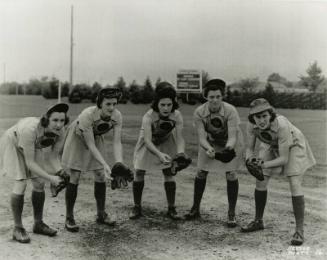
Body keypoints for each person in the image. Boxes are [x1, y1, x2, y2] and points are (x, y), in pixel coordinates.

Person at [241, 98, 316, 246]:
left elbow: (283, 159)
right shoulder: (251, 125)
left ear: (271, 115)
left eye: (264, 116)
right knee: (261, 180)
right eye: (258, 117)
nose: (261, 120)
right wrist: (250, 161)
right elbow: (249, 148)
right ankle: (258, 221)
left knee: (294, 182)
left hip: (293, 143)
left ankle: (299, 231)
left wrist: (262, 164)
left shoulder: (281, 125)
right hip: (270, 143)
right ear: (252, 118)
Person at [0, 103, 69, 243]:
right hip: (13, 142)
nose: (59, 124)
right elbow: (29, 163)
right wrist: (51, 178)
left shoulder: (61, 131)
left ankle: (38, 224)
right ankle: (18, 228)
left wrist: (60, 172)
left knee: (39, 183)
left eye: (62, 120)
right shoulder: (30, 129)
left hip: (34, 146)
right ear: (46, 119)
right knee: (21, 182)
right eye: (55, 120)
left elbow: (53, 156)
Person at [62, 87, 127, 232]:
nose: (111, 108)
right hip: (77, 138)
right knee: (75, 175)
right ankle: (69, 217)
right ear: (100, 103)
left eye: (114, 104)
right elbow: (89, 144)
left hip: (96, 138)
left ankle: (101, 214)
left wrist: (119, 163)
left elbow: (117, 142)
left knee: (100, 175)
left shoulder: (117, 116)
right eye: (108, 104)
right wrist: (104, 164)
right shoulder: (88, 114)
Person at [184, 79, 243, 227]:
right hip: (210, 142)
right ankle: (195, 208)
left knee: (231, 173)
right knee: (201, 172)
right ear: (206, 97)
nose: (215, 100)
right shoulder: (199, 112)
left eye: (218, 96)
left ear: (222, 96)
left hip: (230, 142)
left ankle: (231, 213)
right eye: (211, 97)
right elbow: (201, 137)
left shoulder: (230, 110)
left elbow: (233, 136)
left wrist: (228, 149)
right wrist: (208, 148)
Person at [130, 82, 187, 220]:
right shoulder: (148, 116)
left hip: (166, 140)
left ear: (173, 103)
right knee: (139, 171)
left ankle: (171, 208)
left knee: (169, 171)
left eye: (169, 104)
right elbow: (148, 141)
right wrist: (159, 154)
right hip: (148, 142)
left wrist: (180, 154)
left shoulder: (177, 115)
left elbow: (180, 138)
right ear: (157, 103)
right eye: (162, 105)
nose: (166, 108)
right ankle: (137, 207)